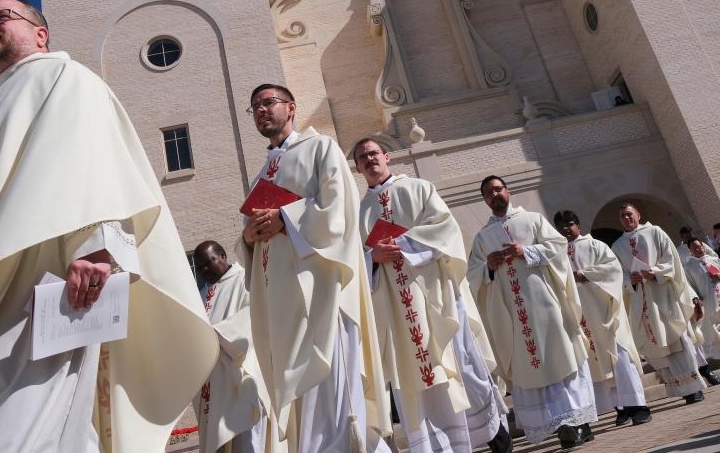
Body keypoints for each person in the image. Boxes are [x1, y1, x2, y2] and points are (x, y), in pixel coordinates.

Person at [0, 0, 218, 452]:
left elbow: (93, 151)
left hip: (43, 288)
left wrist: (98, 245)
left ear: (40, 34)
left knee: (7, 426)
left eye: (2, 15)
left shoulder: (62, 76)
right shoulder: (0, 101)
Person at [237, 84, 390, 452]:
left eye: (268, 102)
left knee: (332, 397)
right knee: (305, 401)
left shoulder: (320, 148)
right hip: (282, 305)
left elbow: (340, 206)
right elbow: (253, 238)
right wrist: (248, 237)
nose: (261, 110)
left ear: (291, 108)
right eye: (254, 106)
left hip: (321, 294)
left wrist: (286, 220)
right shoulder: (262, 174)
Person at [353, 139, 511, 453]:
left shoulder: (419, 188)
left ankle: (495, 437)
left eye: (373, 153)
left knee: (461, 367)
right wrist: (372, 257)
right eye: (362, 157)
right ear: (358, 168)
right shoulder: (360, 212)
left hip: (436, 299)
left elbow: (445, 230)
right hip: (396, 312)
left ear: (386, 157)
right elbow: (357, 258)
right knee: (416, 382)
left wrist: (402, 245)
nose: (369, 159)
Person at [468, 177, 596, 449]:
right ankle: (561, 426)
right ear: (484, 200)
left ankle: (576, 424)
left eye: (498, 189)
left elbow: (558, 247)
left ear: (508, 191)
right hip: (513, 315)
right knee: (531, 365)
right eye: (489, 193)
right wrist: (488, 266)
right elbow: (471, 277)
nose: (495, 195)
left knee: (559, 357)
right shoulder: (481, 238)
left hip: (543, 305)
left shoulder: (533, 219)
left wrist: (526, 251)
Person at [553, 211, 650, 427]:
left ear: (578, 225)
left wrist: (585, 274)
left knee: (620, 356)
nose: (565, 229)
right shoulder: (557, 254)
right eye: (560, 227)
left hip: (606, 312)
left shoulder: (595, 245)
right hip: (583, 318)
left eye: (569, 224)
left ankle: (639, 406)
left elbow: (613, 270)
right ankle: (620, 408)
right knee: (597, 363)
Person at [610, 203, 707, 405]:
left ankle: (694, 387)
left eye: (629, 214)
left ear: (638, 214)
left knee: (678, 340)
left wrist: (655, 272)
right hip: (642, 301)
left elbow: (671, 259)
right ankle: (679, 387)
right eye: (622, 216)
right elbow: (618, 274)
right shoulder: (617, 246)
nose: (626, 219)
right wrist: (631, 281)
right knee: (656, 345)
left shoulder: (655, 232)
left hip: (663, 295)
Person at [193, 241, 278, 453]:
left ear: (222, 255)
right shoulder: (202, 296)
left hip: (242, 380)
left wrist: (216, 334)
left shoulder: (246, 280)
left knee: (247, 443)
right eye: (199, 266)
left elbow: (254, 316)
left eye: (208, 262)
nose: (204, 269)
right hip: (214, 387)